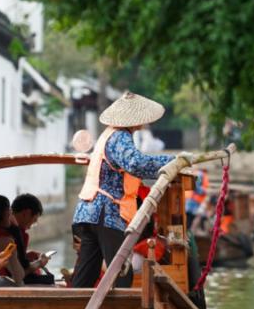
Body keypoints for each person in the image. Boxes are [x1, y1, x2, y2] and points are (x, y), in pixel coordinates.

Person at [71, 91, 175, 288]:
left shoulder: (108, 135)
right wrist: (173, 161)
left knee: (86, 273)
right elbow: (136, 164)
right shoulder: (120, 136)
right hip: (106, 213)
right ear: (135, 120)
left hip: (89, 212)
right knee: (121, 273)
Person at [11, 193, 54, 284]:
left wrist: (25, 255)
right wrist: (39, 262)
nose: (30, 226)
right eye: (34, 220)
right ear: (26, 213)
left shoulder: (18, 233)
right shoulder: (13, 234)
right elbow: (19, 273)